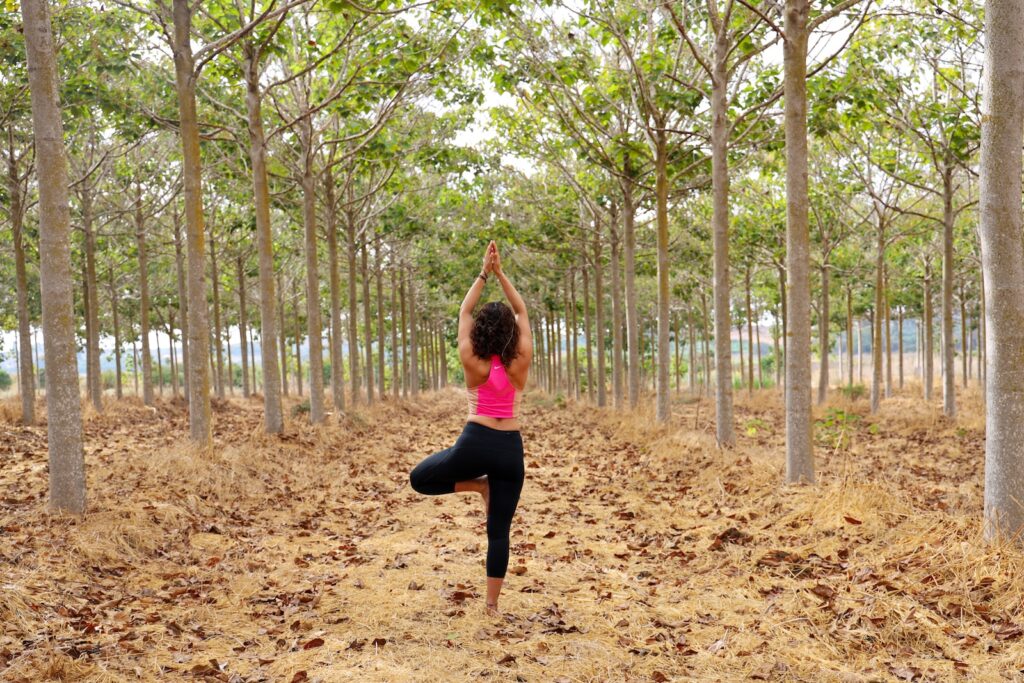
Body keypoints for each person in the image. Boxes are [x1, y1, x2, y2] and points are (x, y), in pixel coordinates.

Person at [409, 240, 532, 615]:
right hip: (510, 448)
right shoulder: (522, 357)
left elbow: (465, 309)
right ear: (511, 331)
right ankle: (492, 607)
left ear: (479, 331)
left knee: (420, 478)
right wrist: (501, 273)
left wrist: (484, 272)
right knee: (498, 532)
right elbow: (521, 308)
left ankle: (478, 485)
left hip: (475, 441)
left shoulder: (470, 357)